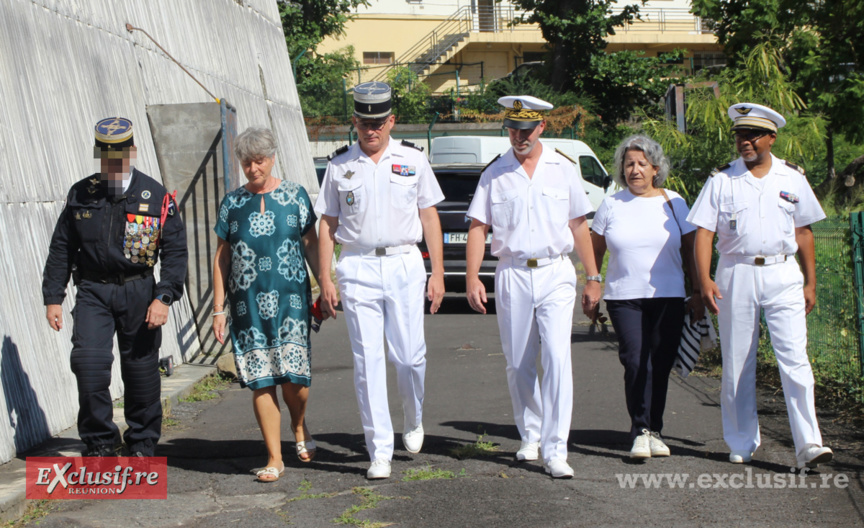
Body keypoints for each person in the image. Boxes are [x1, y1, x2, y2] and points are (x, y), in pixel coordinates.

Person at [687, 103, 833, 468]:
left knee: (795, 359)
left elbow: (803, 232)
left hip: (783, 273)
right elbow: (703, 233)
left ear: (771, 137)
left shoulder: (792, 177)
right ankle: (740, 440)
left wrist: (811, 282)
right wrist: (703, 279)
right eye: (740, 134)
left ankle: (808, 444)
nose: (745, 141)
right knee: (738, 359)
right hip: (736, 272)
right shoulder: (722, 179)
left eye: (753, 135)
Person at [465, 96, 601, 478]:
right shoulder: (495, 173)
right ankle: (530, 434)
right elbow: (479, 226)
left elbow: (578, 225)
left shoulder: (563, 168)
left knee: (558, 357)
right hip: (511, 272)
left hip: (555, 271)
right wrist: (473, 276)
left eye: (525, 130)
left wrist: (593, 276)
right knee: (518, 360)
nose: (518, 137)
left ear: (542, 127)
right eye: (512, 129)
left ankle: (557, 448)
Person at [315, 82, 445, 480]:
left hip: (404, 262)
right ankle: (379, 450)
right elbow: (327, 223)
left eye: (378, 122)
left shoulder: (413, 159)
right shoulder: (339, 166)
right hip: (357, 266)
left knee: (408, 356)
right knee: (367, 361)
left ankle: (414, 413)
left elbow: (429, 217)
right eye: (363, 122)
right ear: (354, 122)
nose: (371, 130)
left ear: (392, 121)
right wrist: (325, 277)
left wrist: (438, 272)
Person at [42, 117, 188, 457]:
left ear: (132, 151)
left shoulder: (155, 197)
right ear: (99, 154)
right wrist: (54, 297)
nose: (113, 160)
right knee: (89, 366)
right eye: (107, 153)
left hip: (139, 292)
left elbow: (176, 253)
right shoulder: (81, 194)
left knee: (140, 373)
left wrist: (164, 296)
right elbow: (61, 247)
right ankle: (100, 442)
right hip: (93, 290)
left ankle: (141, 442)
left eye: (120, 152)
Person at [212, 127, 324, 482]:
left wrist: (326, 284)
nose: (253, 168)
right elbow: (222, 258)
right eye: (246, 162)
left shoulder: (295, 196)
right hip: (246, 306)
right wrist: (219, 309)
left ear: (272, 157)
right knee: (261, 380)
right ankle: (275, 457)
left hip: (292, 301)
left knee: (295, 381)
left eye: (259, 160)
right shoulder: (232, 204)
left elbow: (311, 243)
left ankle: (300, 424)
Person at [589, 135, 702, 459]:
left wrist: (696, 292)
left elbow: (691, 250)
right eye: (628, 164)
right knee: (635, 360)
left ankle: (655, 429)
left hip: (668, 295)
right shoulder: (612, 204)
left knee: (661, 363)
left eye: (641, 164)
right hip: (624, 296)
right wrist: (593, 284)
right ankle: (639, 429)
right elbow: (594, 249)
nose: (634, 170)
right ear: (621, 170)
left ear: (655, 168)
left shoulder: (674, 202)